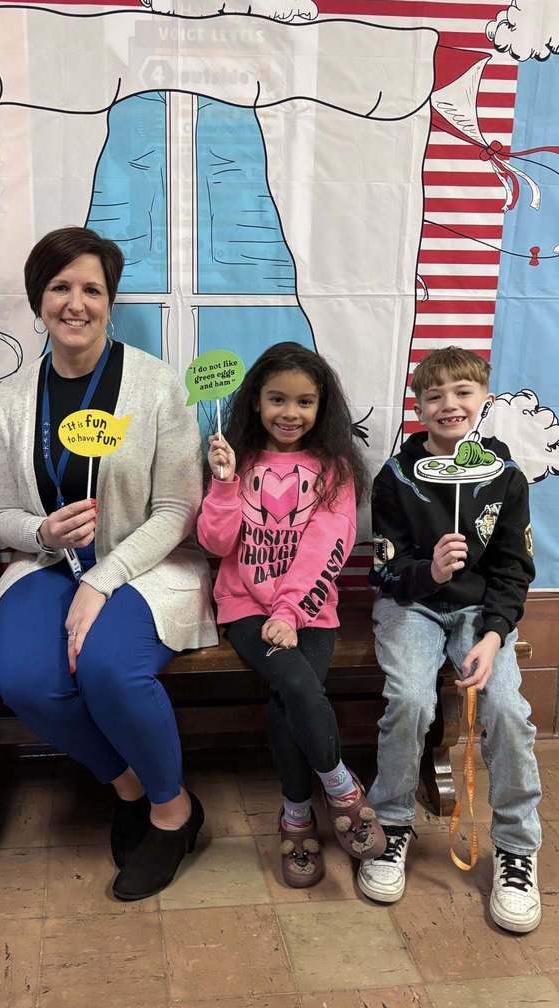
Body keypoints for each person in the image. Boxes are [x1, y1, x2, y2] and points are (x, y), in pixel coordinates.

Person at [0, 226, 217, 901]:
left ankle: (173, 813)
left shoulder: (158, 386)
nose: (75, 303)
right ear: (39, 300)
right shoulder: (9, 402)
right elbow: (1, 513)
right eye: (60, 287)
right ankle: (130, 785)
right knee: (27, 681)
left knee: (109, 667)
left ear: (110, 302)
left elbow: (176, 510)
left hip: (145, 566)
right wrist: (41, 528)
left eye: (92, 289)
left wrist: (103, 579)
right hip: (47, 565)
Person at [359, 346, 542, 933]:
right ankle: (390, 826)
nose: (449, 404)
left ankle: (516, 847)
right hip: (410, 606)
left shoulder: (505, 478)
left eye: (463, 392)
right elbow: (386, 571)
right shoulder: (395, 477)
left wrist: (494, 635)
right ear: (418, 406)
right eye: (434, 395)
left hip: (480, 615)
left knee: (507, 709)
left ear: (483, 399)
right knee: (411, 701)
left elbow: (514, 569)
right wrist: (430, 572)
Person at [197, 342, 385, 888]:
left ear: (322, 406)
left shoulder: (336, 469)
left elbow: (329, 545)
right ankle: (342, 789)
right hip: (244, 609)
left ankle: (296, 813)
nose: (290, 413)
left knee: (290, 700)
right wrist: (224, 483)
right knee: (299, 687)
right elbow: (215, 543)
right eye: (277, 399)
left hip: (311, 609)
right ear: (256, 400)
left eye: (304, 401)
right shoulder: (236, 458)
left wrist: (290, 609)